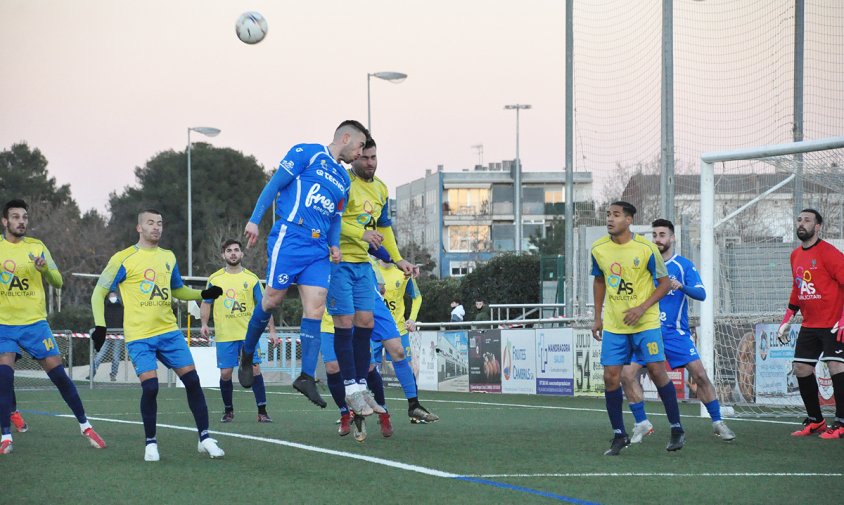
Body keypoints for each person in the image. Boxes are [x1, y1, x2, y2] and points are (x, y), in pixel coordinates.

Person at [237, 120, 369, 412]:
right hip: (291, 237)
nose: (360, 153)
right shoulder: (307, 152)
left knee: (316, 307)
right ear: (346, 138)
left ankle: (307, 376)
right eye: (360, 146)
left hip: (318, 247)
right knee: (272, 300)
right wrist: (255, 220)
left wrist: (334, 243)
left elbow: (335, 217)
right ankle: (247, 353)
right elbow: (275, 185)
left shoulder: (344, 180)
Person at [91, 209, 225, 461]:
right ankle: (150, 443)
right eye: (150, 223)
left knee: (193, 382)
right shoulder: (123, 258)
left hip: (169, 332)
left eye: (160, 223)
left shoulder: (168, 256)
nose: (156, 227)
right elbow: (98, 293)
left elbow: (178, 290)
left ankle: (205, 438)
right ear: (139, 227)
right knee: (151, 387)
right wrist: (101, 326)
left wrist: (202, 294)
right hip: (140, 336)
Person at [0, 199, 106, 455]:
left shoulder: (37, 247)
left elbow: (58, 281)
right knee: (4, 377)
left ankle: (85, 425)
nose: (21, 221)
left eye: (24, 217)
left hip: (35, 324)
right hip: (4, 325)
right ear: (5, 221)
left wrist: (44, 268)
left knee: (59, 375)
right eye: (15, 217)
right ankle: (5, 435)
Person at [620, 219, 735, 444]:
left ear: (672, 238)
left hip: (675, 334)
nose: (658, 239)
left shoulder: (683, 266)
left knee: (700, 375)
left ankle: (717, 421)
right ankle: (642, 422)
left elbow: (702, 295)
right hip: (647, 332)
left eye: (662, 235)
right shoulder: (645, 266)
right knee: (626, 374)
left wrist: (680, 286)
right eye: (654, 235)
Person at [327, 137, 414, 417]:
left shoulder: (381, 189)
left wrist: (397, 258)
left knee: (366, 323)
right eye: (365, 157)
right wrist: (360, 234)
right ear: (353, 157)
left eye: (374, 157)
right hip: (338, 264)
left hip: (364, 265)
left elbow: (384, 227)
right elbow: (332, 221)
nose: (370, 162)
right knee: (344, 328)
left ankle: (362, 387)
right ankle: (350, 391)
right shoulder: (342, 182)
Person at [590, 201, 684, 456]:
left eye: (616, 215)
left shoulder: (646, 248)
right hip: (615, 324)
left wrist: (641, 308)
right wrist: (597, 317)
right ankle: (619, 435)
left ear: (629, 220)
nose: (610, 219)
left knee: (656, 371)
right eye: (608, 215)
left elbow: (664, 284)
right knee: (611, 377)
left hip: (646, 322)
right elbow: (600, 281)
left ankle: (676, 427)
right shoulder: (599, 248)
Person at [320, 256, 438, 442]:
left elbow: (383, 287)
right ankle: (351, 416)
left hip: (370, 307)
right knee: (347, 368)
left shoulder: (369, 260)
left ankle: (404, 407)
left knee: (386, 358)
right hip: (342, 315)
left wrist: (398, 261)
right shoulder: (328, 255)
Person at [777, 209, 844, 439]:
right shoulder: (795, 255)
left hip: (834, 322)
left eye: (807, 220)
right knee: (801, 368)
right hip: (809, 324)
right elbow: (798, 289)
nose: (801, 223)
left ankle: (842, 422)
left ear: (818, 227)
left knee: (836, 365)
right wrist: (786, 319)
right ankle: (816, 420)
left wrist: (843, 319)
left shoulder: (829, 253)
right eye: (799, 220)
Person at [200, 239, 278, 423]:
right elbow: (206, 302)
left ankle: (262, 411)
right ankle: (228, 411)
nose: (233, 253)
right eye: (229, 251)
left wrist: (272, 330)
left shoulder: (251, 279)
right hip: (225, 336)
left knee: (255, 369)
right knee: (225, 374)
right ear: (223, 255)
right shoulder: (215, 279)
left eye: (236, 250)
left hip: (248, 336)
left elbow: (265, 306)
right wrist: (204, 323)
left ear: (242, 254)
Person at [87, 291, 124, 381]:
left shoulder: (122, 307)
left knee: (116, 357)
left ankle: (113, 375)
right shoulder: (104, 306)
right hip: (106, 335)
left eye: (114, 295)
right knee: (99, 356)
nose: (113, 297)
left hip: (118, 336)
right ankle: (91, 373)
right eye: (111, 295)